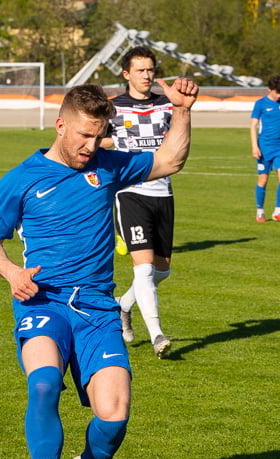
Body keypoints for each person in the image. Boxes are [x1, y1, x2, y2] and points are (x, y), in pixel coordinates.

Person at [0, 79, 198, 459]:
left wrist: (181, 110)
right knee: (42, 384)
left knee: (115, 416)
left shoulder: (109, 166)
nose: (90, 145)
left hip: (97, 308)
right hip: (44, 301)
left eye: (98, 136)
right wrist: (13, 274)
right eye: (83, 135)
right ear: (60, 125)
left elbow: (170, 160)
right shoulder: (20, 179)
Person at [101, 46, 175, 359]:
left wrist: (185, 109)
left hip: (163, 191)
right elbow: (96, 139)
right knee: (143, 270)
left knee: (162, 272)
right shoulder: (112, 108)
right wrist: (116, 143)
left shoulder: (167, 104)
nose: (146, 76)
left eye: (150, 70)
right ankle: (158, 335)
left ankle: (123, 304)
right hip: (129, 192)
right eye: (140, 70)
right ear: (126, 74)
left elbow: (178, 140)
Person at [250, 75, 280, 223]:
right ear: (269, 89)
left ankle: (278, 211)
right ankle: (260, 211)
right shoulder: (260, 104)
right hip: (264, 147)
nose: (279, 95)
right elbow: (253, 126)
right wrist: (254, 146)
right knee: (263, 180)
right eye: (277, 92)